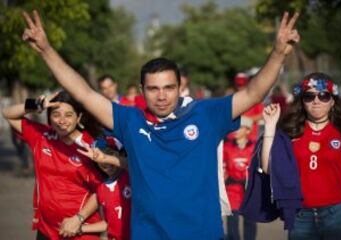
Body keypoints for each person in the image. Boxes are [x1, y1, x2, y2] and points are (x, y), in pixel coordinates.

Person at [21, 10, 300, 239]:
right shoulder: (129, 120)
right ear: (142, 90)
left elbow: (253, 93)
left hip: (202, 234)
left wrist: (278, 54)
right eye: (153, 88)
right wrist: (46, 49)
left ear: (180, 87)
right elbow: (82, 93)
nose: (162, 95)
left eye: (169, 87)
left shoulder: (205, 114)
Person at [261, 73, 341, 240]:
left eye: (323, 95)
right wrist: (270, 127)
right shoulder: (291, 131)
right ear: (302, 100)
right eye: (309, 96)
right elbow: (268, 168)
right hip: (300, 216)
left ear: (332, 100)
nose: (316, 101)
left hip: (337, 215)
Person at [1, 90, 103, 239]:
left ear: (79, 117)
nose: (62, 120)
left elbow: (101, 189)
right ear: (49, 117)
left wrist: (79, 218)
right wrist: (36, 104)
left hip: (80, 230)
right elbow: (7, 113)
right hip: (46, 229)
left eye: (68, 115)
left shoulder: (92, 146)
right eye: (56, 115)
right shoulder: (41, 136)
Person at [60, 136, 131, 240]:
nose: (104, 160)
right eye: (98, 156)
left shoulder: (132, 177)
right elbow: (108, 224)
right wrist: (79, 228)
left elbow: (132, 165)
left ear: (121, 154)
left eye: (110, 153)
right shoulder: (101, 189)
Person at [223, 125, 257, 240]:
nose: (235, 130)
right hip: (232, 188)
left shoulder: (255, 147)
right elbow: (222, 167)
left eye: (239, 128)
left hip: (249, 189)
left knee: (250, 220)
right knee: (232, 221)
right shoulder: (227, 146)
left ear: (247, 130)